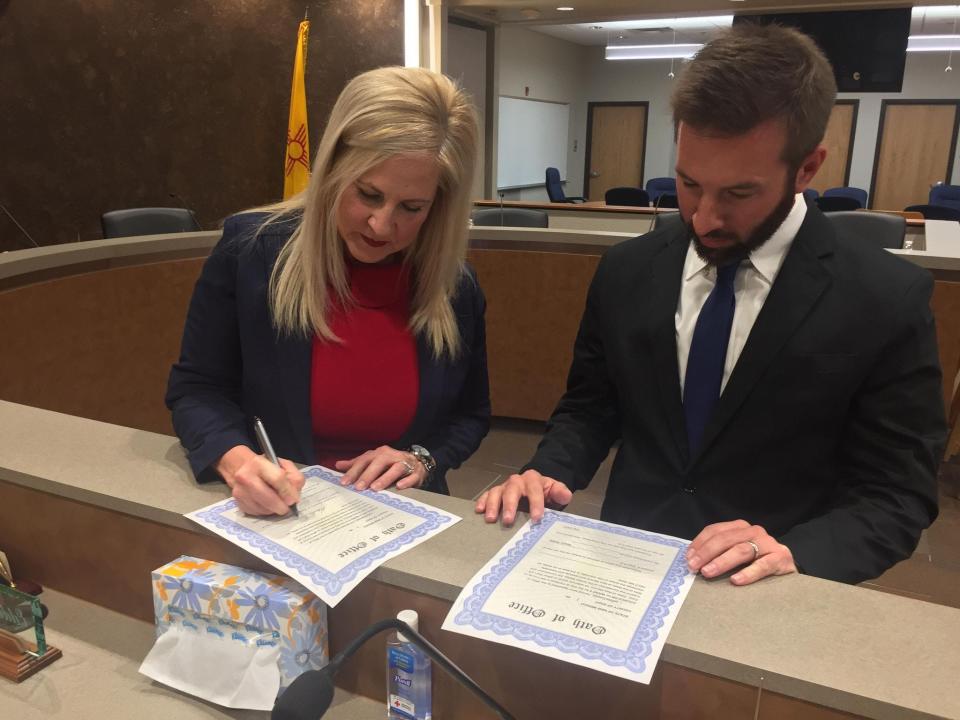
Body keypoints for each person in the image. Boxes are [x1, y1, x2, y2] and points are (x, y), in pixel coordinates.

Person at [477, 24, 945, 585]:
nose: (703, 218)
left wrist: (799, 552)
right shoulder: (628, 271)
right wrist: (547, 470)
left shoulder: (884, 297)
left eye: (739, 193)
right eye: (690, 183)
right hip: (624, 569)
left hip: (770, 591)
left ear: (807, 168)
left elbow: (897, 494)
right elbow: (591, 406)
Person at [167, 66, 490, 516]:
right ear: (334, 169)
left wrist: (422, 459)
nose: (382, 225)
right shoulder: (252, 252)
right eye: (369, 195)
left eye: (412, 208)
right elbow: (197, 388)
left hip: (402, 519)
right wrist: (236, 459)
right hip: (279, 514)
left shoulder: (455, 287)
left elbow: (470, 416)